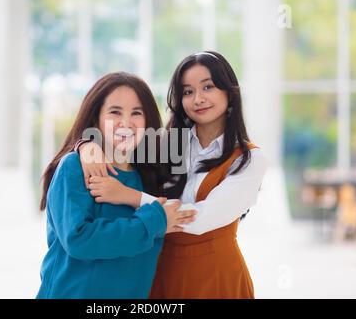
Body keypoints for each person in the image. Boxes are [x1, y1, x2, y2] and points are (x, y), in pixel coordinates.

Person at [77, 52, 267, 298]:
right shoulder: (169, 145)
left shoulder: (248, 159)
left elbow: (199, 220)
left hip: (217, 277)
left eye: (207, 87)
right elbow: (118, 142)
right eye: (187, 91)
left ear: (229, 93)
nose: (198, 99)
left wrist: (128, 196)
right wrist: (85, 145)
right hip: (161, 271)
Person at [36, 72, 197, 299]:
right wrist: (153, 222)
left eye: (136, 113)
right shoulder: (75, 167)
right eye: (115, 112)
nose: (126, 122)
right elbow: (79, 239)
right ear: (96, 120)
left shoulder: (150, 176)